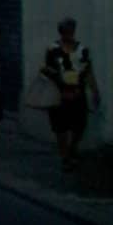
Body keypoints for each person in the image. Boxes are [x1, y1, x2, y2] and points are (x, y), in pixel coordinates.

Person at [41, 17, 96, 171]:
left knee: (79, 125)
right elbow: (47, 69)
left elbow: (88, 71)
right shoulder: (53, 49)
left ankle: (73, 148)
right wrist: (59, 81)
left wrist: (94, 90)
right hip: (60, 94)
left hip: (78, 92)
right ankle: (65, 157)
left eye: (71, 31)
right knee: (61, 128)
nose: (69, 34)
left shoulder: (82, 49)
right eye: (66, 31)